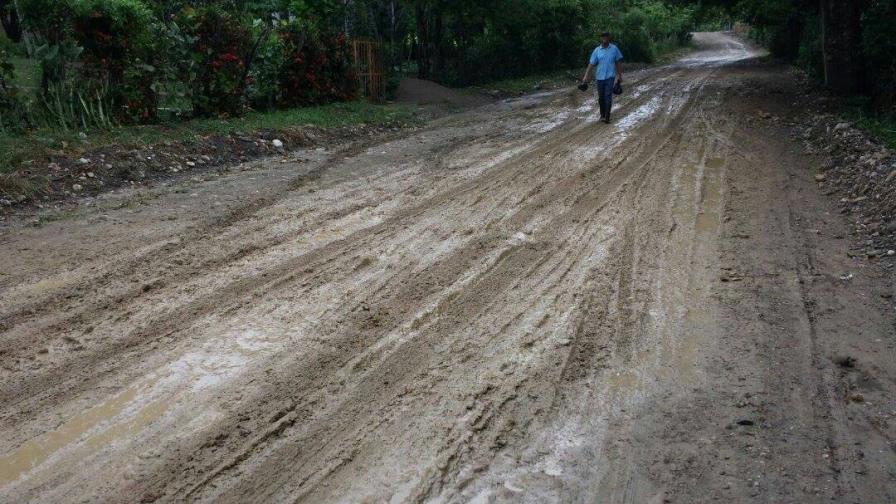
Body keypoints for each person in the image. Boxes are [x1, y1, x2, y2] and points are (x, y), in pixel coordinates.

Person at [582, 31, 623, 124]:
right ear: (601, 38)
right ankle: (602, 115)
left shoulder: (614, 49)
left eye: (606, 36)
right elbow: (591, 64)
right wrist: (586, 76)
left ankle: (607, 116)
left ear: (609, 37)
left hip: (610, 76)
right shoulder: (597, 50)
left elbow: (618, 62)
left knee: (607, 96)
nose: (604, 38)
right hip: (599, 77)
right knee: (601, 98)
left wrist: (619, 75)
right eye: (602, 36)